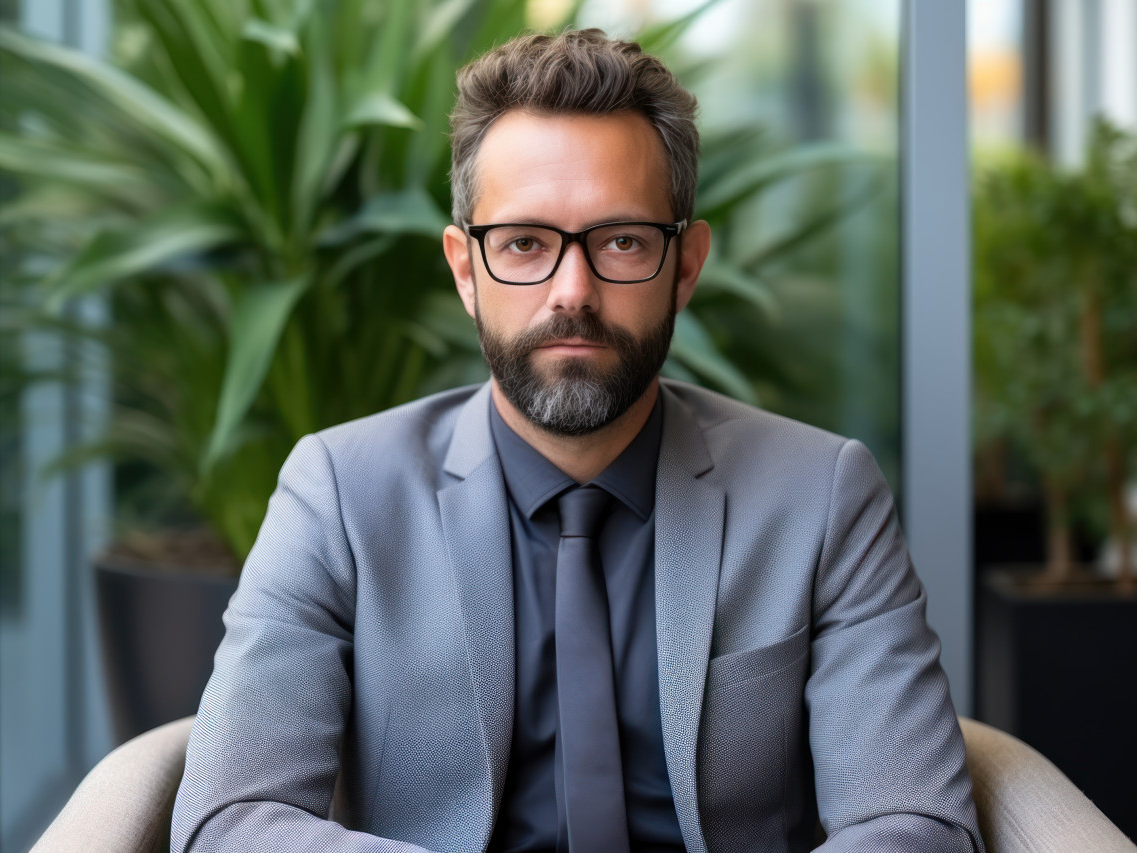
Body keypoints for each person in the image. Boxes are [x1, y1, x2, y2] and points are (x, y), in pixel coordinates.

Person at [172, 29, 982, 853]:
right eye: (524, 243)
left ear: (687, 264)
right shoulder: (338, 493)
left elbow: (913, 820)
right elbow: (230, 818)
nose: (573, 292)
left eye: (622, 241)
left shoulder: (823, 494)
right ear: (464, 269)